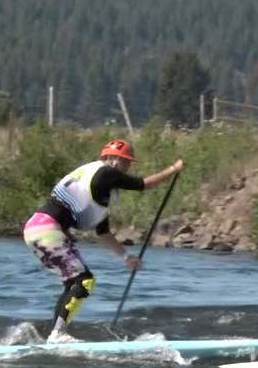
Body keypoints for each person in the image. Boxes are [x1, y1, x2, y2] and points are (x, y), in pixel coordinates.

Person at [23, 139, 184, 341]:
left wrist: (126, 258)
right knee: (84, 280)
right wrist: (173, 169)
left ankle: (56, 334)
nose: (126, 166)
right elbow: (143, 184)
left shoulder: (95, 187)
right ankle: (58, 335)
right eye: (123, 161)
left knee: (73, 283)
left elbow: (103, 233)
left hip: (35, 229)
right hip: (47, 229)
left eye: (129, 163)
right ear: (109, 158)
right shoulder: (105, 172)